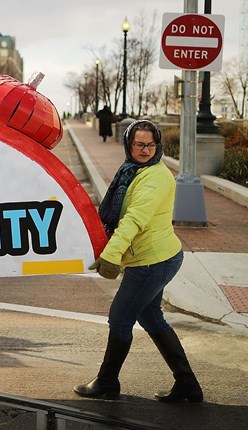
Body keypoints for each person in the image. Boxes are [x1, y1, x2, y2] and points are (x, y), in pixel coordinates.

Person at [74, 120, 203, 403]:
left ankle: (107, 382)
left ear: (158, 146)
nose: (145, 150)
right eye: (139, 144)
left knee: (120, 318)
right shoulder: (132, 171)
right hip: (154, 257)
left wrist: (111, 255)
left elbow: (134, 219)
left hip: (151, 261)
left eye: (150, 145)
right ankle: (187, 384)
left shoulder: (155, 177)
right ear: (128, 145)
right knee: (150, 316)